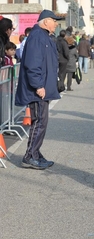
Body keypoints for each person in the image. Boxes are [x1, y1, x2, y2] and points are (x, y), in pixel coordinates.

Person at [14, 10, 62, 170]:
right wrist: (38, 86)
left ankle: (35, 153)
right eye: (54, 21)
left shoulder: (43, 36)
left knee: (41, 121)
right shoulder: (37, 37)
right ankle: (29, 156)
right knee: (39, 121)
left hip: (43, 87)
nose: (56, 24)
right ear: (46, 21)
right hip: (37, 89)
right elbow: (32, 64)